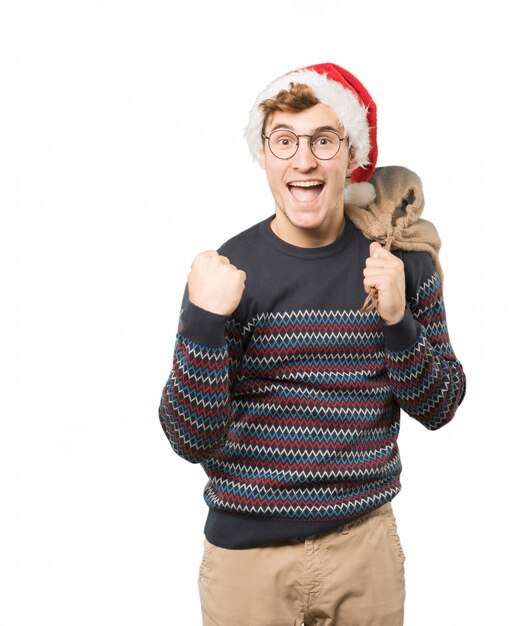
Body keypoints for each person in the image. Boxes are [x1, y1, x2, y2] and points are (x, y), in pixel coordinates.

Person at [158, 63, 466, 626]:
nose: (304, 160)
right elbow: (188, 437)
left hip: (364, 548)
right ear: (264, 156)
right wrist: (203, 322)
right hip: (247, 560)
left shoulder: (400, 260)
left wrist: (397, 321)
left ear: (351, 157)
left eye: (324, 140)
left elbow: (441, 405)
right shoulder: (230, 272)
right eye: (285, 141)